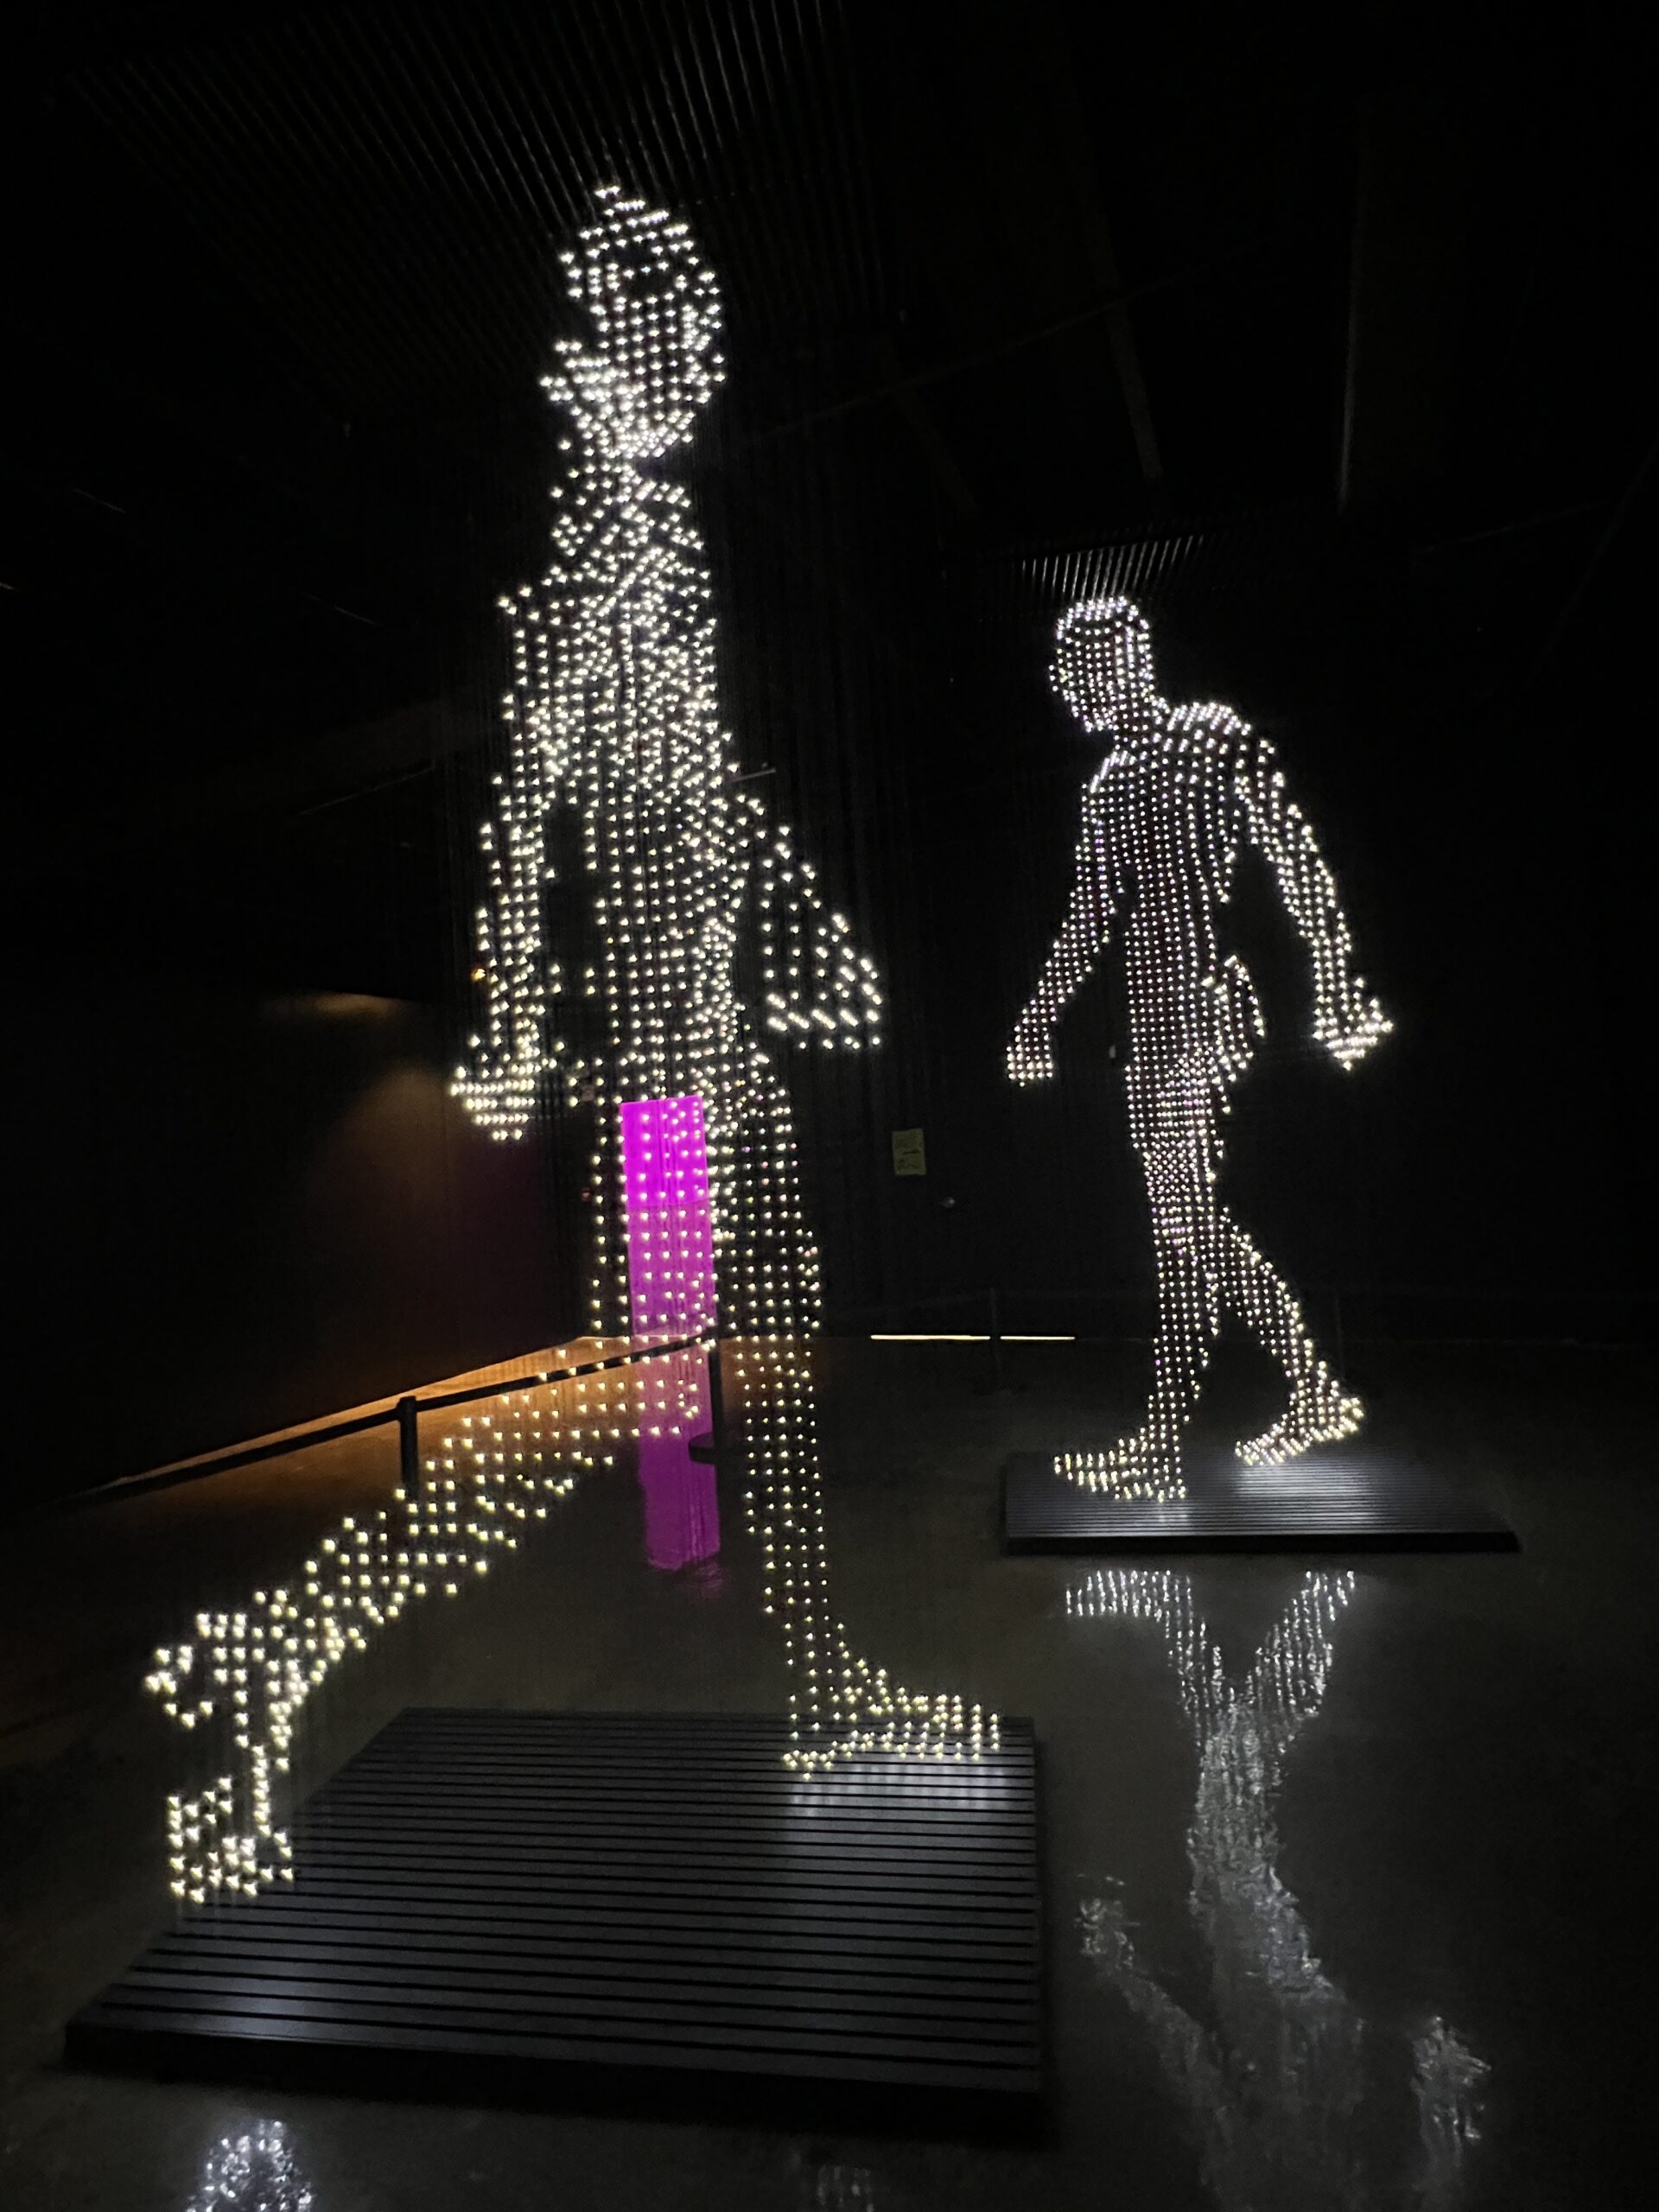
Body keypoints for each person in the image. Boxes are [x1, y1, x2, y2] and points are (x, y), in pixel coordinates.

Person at [1008, 595, 1389, 1493]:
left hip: (1202, 1010)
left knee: (1182, 1223)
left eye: (1086, 669)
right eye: (1069, 675)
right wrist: (1039, 1015)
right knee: (1179, 1225)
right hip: (1150, 1021)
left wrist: (1336, 983)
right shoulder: (1107, 786)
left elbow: (1295, 854)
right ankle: (1250, 1408)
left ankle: (1219, 1418)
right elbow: (1091, 916)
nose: (1074, 689)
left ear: (1127, 660)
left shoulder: (1211, 735)